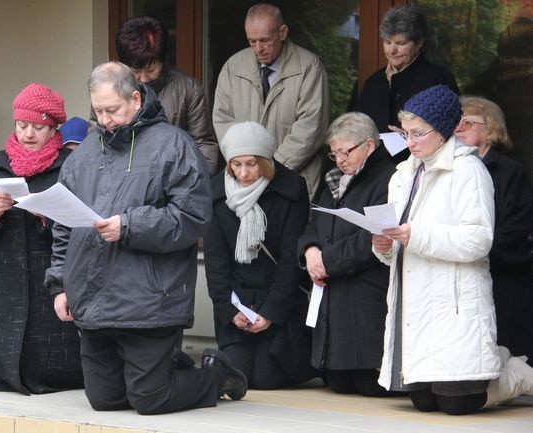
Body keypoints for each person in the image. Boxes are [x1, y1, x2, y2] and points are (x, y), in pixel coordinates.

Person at [44, 62, 247, 415]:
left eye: (112, 110)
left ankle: (215, 377)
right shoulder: (86, 154)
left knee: (149, 399)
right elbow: (63, 225)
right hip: (92, 298)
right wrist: (60, 284)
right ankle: (168, 368)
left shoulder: (174, 145)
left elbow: (194, 217)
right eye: (97, 110)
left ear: (136, 99)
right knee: (105, 400)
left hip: (150, 299)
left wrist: (129, 226)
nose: (104, 119)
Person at [372, 84, 533, 415]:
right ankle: (492, 362)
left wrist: (414, 235)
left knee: (459, 404)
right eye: (406, 134)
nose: (410, 142)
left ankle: (517, 371)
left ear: (443, 130)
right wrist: (384, 246)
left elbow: (478, 240)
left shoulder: (468, 170)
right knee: (424, 402)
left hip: (454, 299)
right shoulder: (402, 173)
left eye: (418, 134)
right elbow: (399, 238)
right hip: (415, 300)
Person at [0, 83, 83, 395]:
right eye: (22, 125)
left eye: (38, 127)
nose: (28, 133)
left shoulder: (68, 167)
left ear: (54, 128)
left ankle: (54, 378)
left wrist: (48, 217)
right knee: (4, 353)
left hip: (51, 272)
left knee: (53, 357)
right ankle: (3, 377)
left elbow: (86, 224)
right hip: (3, 273)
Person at [203, 121, 316, 390]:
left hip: (278, 302)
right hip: (238, 300)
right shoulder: (216, 192)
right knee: (239, 374)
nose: (243, 173)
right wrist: (229, 311)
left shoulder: (290, 189)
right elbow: (215, 261)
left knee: (265, 379)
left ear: (265, 160)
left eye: (252, 164)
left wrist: (270, 313)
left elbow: (291, 260)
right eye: (236, 164)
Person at [296, 112, 395, 396]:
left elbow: (374, 237)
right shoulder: (334, 180)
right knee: (337, 383)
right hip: (332, 291)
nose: (339, 159)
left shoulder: (388, 178)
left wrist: (326, 261)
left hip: (365, 291)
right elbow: (313, 223)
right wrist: (310, 251)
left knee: (369, 385)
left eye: (345, 151)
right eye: (334, 153)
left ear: (369, 146)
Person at [212, 3, 330, 199]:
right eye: (252, 41)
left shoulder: (309, 67)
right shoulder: (233, 67)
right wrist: (247, 165)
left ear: (282, 33)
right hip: (244, 182)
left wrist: (268, 169)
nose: (258, 49)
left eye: (265, 40)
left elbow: (311, 128)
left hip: (293, 180)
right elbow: (223, 120)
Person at [454, 95, 533, 364]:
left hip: (501, 274)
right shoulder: (451, 171)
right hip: (460, 274)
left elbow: (516, 229)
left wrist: (472, 249)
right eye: (456, 122)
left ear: (491, 129)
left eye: (468, 122)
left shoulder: (511, 172)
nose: (458, 128)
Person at [111, 16, 218, 174]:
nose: (144, 78)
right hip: (121, 180)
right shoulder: (110, 89)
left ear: (163, 60)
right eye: (136, 72)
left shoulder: (187, 89)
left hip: (172, 179)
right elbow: (97, 137)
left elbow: (204, 145)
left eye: (151, 70)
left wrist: (192, 185)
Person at [350, 5, 458, 162]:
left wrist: (410, 135)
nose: (392, 50)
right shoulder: (373, 82)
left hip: (421, 167)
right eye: (387, 42)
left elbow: (451, 130)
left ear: (419, 43)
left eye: (400, 43)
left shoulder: (438, 79)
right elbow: (355, 126)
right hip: (374, 172)